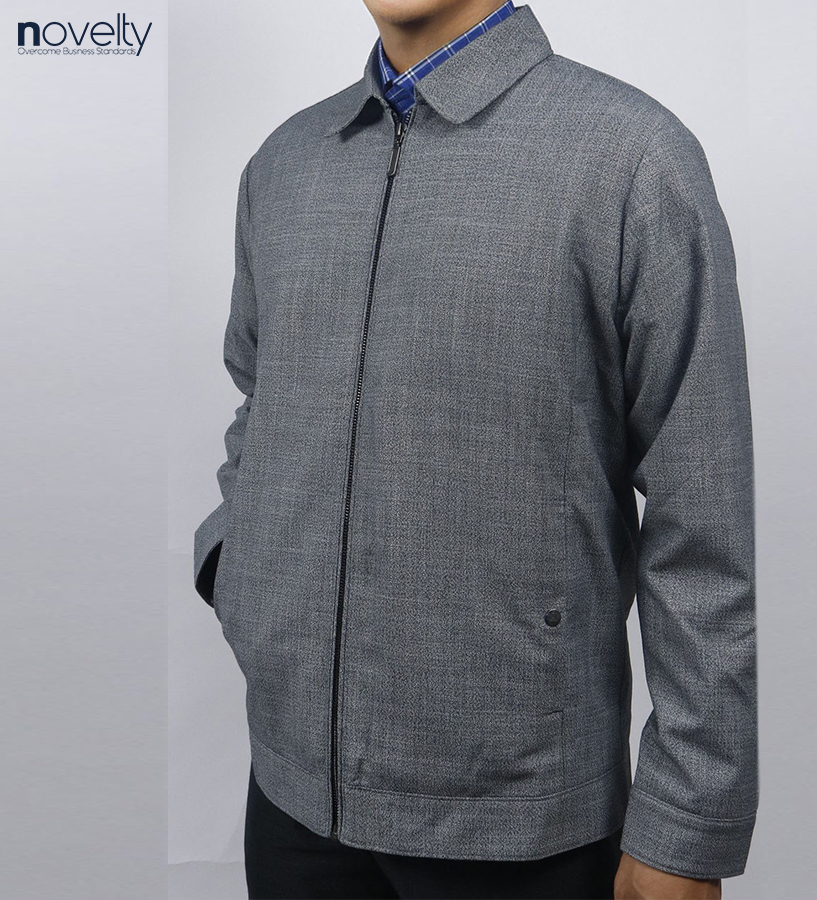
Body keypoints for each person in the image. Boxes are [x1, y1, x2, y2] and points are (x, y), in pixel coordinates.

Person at [192, 2, 757, 897]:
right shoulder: (286, 162)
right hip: (292, 794)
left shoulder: (632, 158)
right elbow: (259, 397)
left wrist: (688, 825)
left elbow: (704, 513)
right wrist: (241, 573)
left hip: (523, 822)